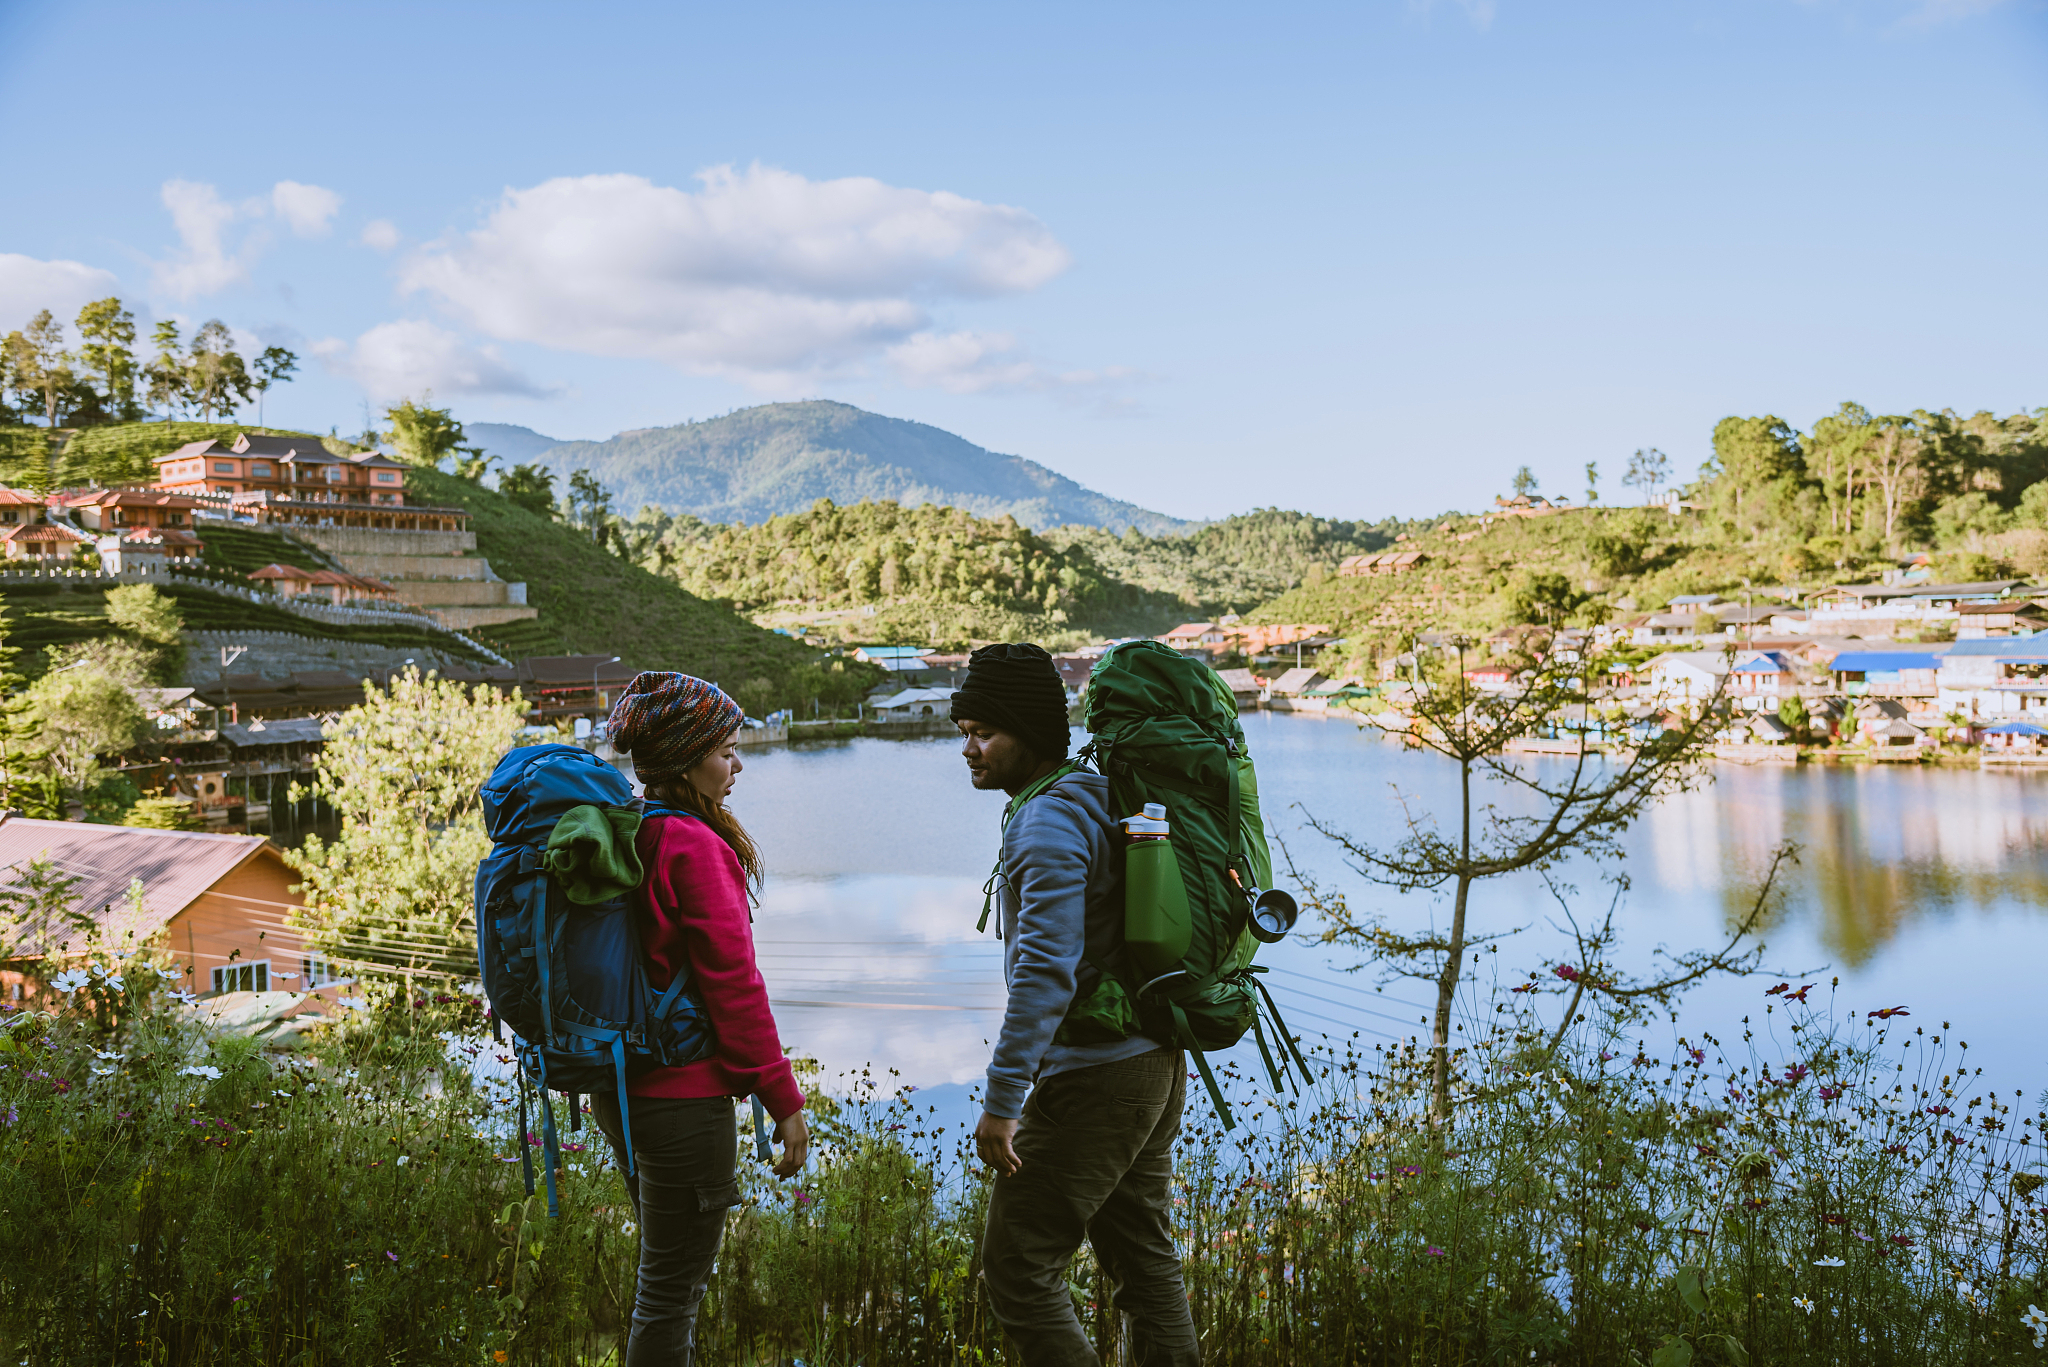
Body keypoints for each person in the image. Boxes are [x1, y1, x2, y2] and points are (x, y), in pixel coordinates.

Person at [951, 643, 1200, 1367]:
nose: (968, 748)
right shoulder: (1091, 793)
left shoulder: (1045, 823)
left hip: (1096, 1075)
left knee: (1018, 1267)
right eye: (964, 730)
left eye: (983, 732)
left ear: (1027, 730)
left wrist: (1002, 1100)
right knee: (1144, 1263)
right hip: (1151, 1061)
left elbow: (1045, 973)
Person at [599, 671, 810, 1367]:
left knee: (663, 1283)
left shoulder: (629, 830)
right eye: (724, 749)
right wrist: (784, 1099)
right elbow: (734, 986)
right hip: (683, 1101)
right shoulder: (692, 844)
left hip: (622, 1090)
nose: (737, 763)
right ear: (687, 758)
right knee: (669, 1296)